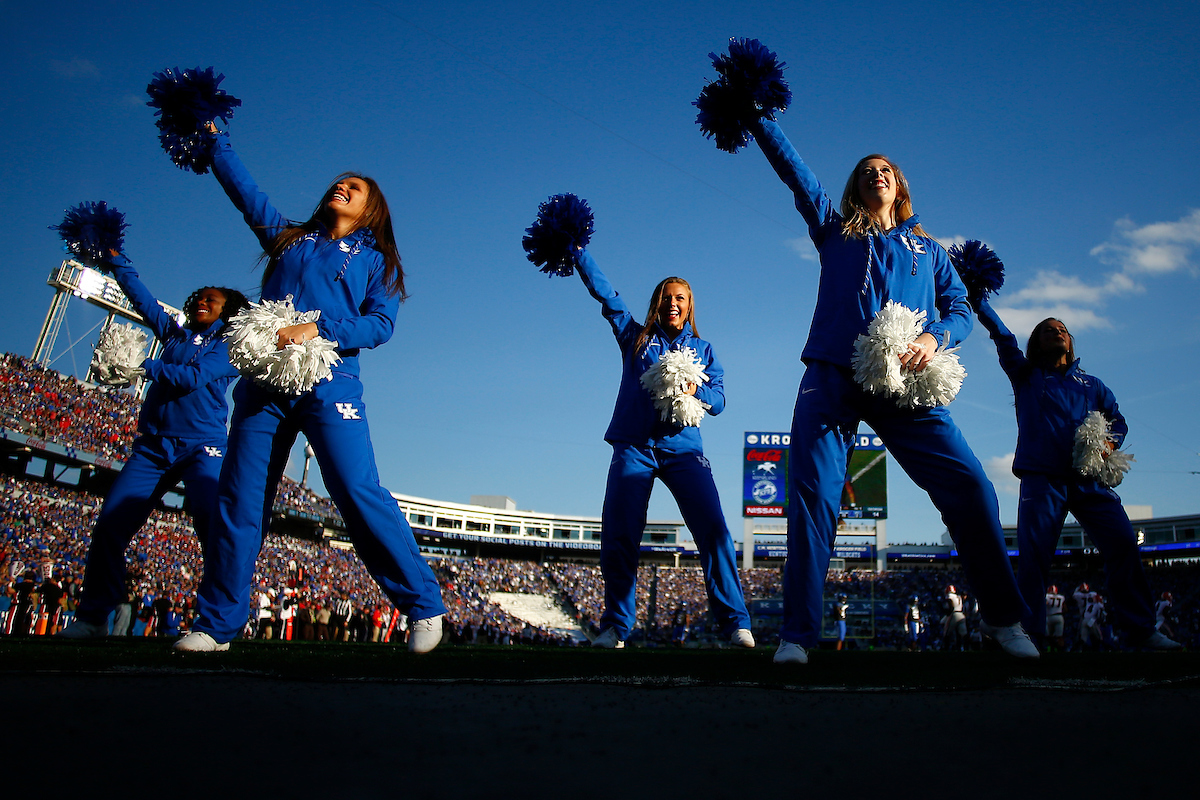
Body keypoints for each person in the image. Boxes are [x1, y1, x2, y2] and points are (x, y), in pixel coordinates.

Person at [738, 112, 1036, 664]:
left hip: (907, 384)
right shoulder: (835, 227)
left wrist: (934, 336)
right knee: (812, 499)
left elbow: (959, 308)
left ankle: (1003, 618)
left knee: (971, 486)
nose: (876, 174)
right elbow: (795, 171)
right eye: (866, 170)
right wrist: (758, 115)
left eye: (885, 170)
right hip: (831, 377)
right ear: (855, 186)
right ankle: (798, 637)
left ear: (899, 186)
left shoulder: (929, 249)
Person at [173, 123, 447, 653]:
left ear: (371, 210)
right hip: (265, 385)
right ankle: (217, 624)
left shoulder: (378, 262)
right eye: (337, 183)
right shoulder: (290, 241)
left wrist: (319, 328)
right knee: (240, 497)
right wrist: (215, 140)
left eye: (355, 188)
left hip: (330, 381)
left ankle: (423, 605)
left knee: (354, 489)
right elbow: (245, 194)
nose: (340, 188)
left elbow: (380, 326)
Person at [570, 247, 754, 649]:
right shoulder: (635, 338)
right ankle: (616, 627)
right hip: (633, 448)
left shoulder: (704, 351)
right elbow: (608, 297)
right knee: (619, 535)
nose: (673, 303)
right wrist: (578, 253)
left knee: (714, 531)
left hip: (684, 452)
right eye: (666, 297)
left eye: (680, 298)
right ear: (657, 304)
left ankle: (736, 624)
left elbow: (720, 402)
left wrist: (697, 389)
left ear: (689, 309)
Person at [58, 254, 248, 639]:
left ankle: (217, 625)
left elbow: (194, 377)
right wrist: (117, 263)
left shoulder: (229, 346)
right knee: (110, 525)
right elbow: (142, 300)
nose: (201, 302)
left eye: (210, 300)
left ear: (227, 311)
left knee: (211, 525)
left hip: (203, 446)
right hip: (152, 448)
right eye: (198, 297)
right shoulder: (175, 336)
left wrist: (143, 367)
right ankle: (94, 617)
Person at [974, 302, 1180, 650]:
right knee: (1035, 557)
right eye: (1047, 330)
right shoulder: (1026, 375)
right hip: (1042, 479)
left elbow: (1117, 419)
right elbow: (1003, 338)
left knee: (1123, 546)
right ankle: (1027, 634)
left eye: (1062, 329)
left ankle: (1141, 630)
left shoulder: (1093, 384)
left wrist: (1109, 443)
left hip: (1090, 480)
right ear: (1037, 344)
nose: (1056, 332)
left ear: (1070, 342)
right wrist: (979, 301)